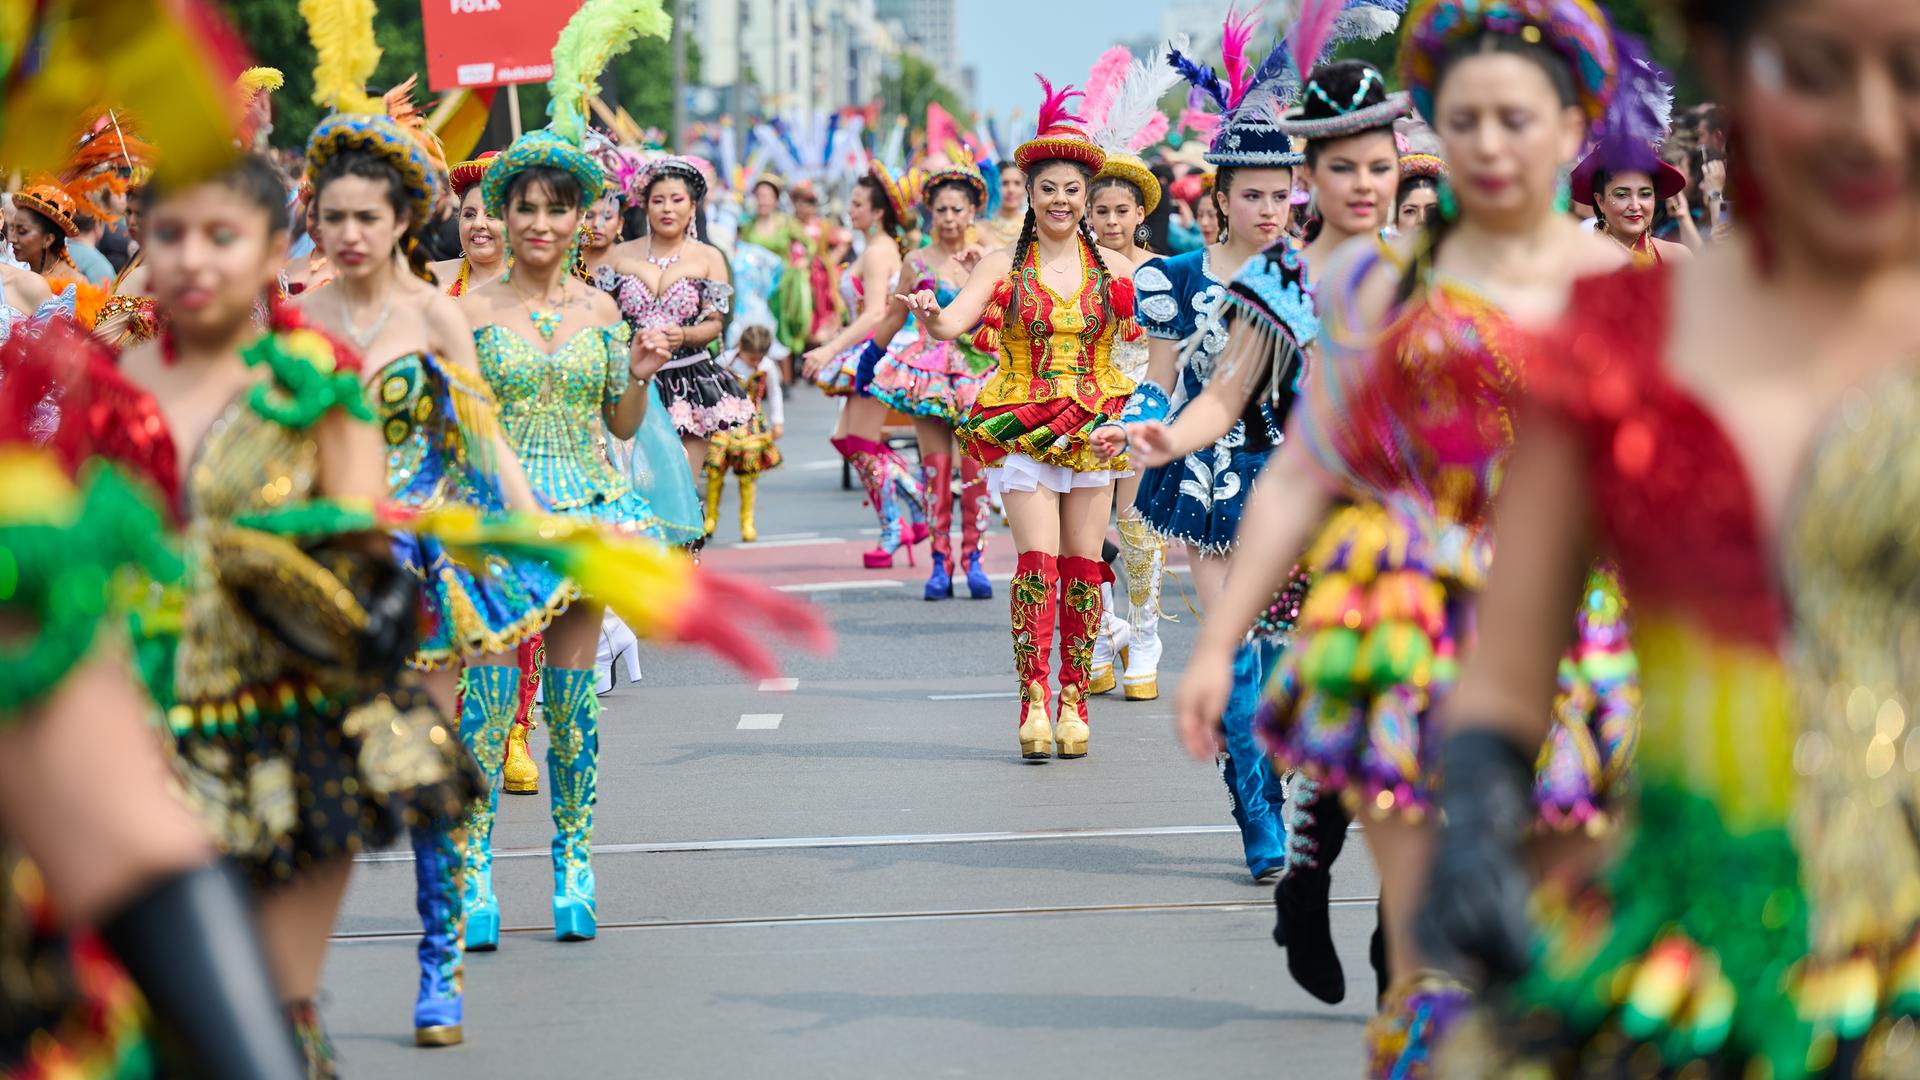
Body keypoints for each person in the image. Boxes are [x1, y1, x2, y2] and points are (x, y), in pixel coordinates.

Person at [1420, 0, 1920, 1073]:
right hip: (1683, 956)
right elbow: (1508, 676)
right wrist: (1473, 832)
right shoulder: (1613, 346)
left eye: (1914, 73)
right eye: (1817, 72)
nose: (1872, 127)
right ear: (1729, 69)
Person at [1169, 0, 1647, 1068]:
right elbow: (1304, 466)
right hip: (1412, 617)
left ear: (1573, 129)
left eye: (1515, 119)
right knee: (1435, 967)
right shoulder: (1371, 281)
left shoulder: (1620, 285)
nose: (1486, 144)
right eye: (1462, 119)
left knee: (1572, 952)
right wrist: (1216, 641)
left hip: (1585, 628)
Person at [120, 152, 479, 1075]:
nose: (193, 258)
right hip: (142, 732)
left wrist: (363, 596)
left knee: (273, 1020)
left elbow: (364, 546)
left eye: (222, 236)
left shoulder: (315, 380)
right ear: (141, 248)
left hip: (286, 727)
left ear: (276, 247)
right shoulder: (118, 382)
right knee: (158, 1022)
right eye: (168, 234)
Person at [296, 95, 578, 1047]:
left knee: (428, 770)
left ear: (404, 219)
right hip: (320, 567)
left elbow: (485, 441)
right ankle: (294, 990)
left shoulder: (436, 317)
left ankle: (439, 965)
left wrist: (536, 525)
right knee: (316, 781)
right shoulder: (297, 317)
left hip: (422, 564)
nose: (346, 234)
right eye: (331, 216)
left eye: (365, 217)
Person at [463, 119, 666, 954]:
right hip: (500, 518)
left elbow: (618, 418)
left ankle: (572, 865)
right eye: (524, 209)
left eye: (557, 209)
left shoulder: (603, 310)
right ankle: (474, 867)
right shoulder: (470, 312)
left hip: (587, 505)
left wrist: (643, 376)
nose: (539, 224)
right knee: (486, 700)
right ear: (502, 219)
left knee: (572, 704)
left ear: (583, 217)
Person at [900, 76, 1138, 761]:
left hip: (1095, 427)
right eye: (1048, 190)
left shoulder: (1115, 265)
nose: (1061, 202)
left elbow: (1148, 341)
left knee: (1084, 566)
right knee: (1036, 564)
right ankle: (1034, 697)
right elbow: (952, 320)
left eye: (1072, 191)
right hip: (1024, 422)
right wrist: (930, 315)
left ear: (1086, 198)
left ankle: (1074, 697)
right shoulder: (1007, 260)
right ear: (1030, 195)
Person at [868, 161, 999, 599]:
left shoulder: (992, 255)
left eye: (956, 209)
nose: (948, 219)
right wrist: (870, 357)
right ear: (931, 212)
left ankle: (974, 558)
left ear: (973, 211)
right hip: (928, 373)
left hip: (979, 370)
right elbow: (892, 314)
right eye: (940, 210)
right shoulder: (916, 260)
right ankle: (940, 563)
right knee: (935, 469)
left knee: (974, 468)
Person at [802, 160, 930, 570]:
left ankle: (898, 524)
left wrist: (829, 348)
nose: (850, 210)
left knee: (858, 441)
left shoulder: (878, 252)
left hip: (884, 352)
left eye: (857, 204)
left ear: (877, 212)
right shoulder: (873, 248)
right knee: (849, 441)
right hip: (874, 349)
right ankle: (911, 504)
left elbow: (876, 313)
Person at [601, 156, 749, 481]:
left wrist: (682, 336)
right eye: (658, 201)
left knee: (679, 485)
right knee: (635, 485)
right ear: (646, 206)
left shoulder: (709, 257)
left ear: (692, 206)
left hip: (688, 381)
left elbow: (716, 322)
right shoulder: (620, 254)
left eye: (677, 200)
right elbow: (602, 314)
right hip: (629, 379)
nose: (667, 209)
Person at [704, 324, 784, 542]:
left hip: (751, 423)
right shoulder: (725, 361)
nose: (756, 363)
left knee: (748, 473)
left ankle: (747, 522)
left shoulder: (768, 366)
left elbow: (775, 393)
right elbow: (711, 389)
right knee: (715, 468)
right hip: (725, 421)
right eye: (752, 359)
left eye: (759, 358)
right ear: (741, 348)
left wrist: (778, 420)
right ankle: (710, 517)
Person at [1572, 134, 1695, 266]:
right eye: (1621, 195)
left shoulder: (1677, 257)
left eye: (1645, 194)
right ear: (1600, 201)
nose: (1635, 206)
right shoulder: (1581, 263)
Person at [977, 164, 1026, 251]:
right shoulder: (979, 229)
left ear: (1026, 188)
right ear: (994, 187)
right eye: (1004, 183)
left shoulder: (1036, 227)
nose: (1011, 189)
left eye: (1017, 183)